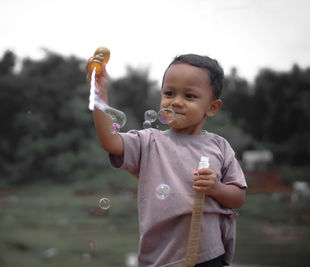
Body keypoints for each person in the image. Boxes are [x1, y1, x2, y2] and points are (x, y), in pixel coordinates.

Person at [88, 54, 247, 267]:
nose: (176, 101)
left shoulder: (219, 147)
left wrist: (216, 188)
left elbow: (238, 197)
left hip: (208, 256)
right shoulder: (149, 141)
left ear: (212, 107)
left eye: (189, 96)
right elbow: (110, 141)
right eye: (169, 93)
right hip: (161, 259)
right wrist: (99, 92)